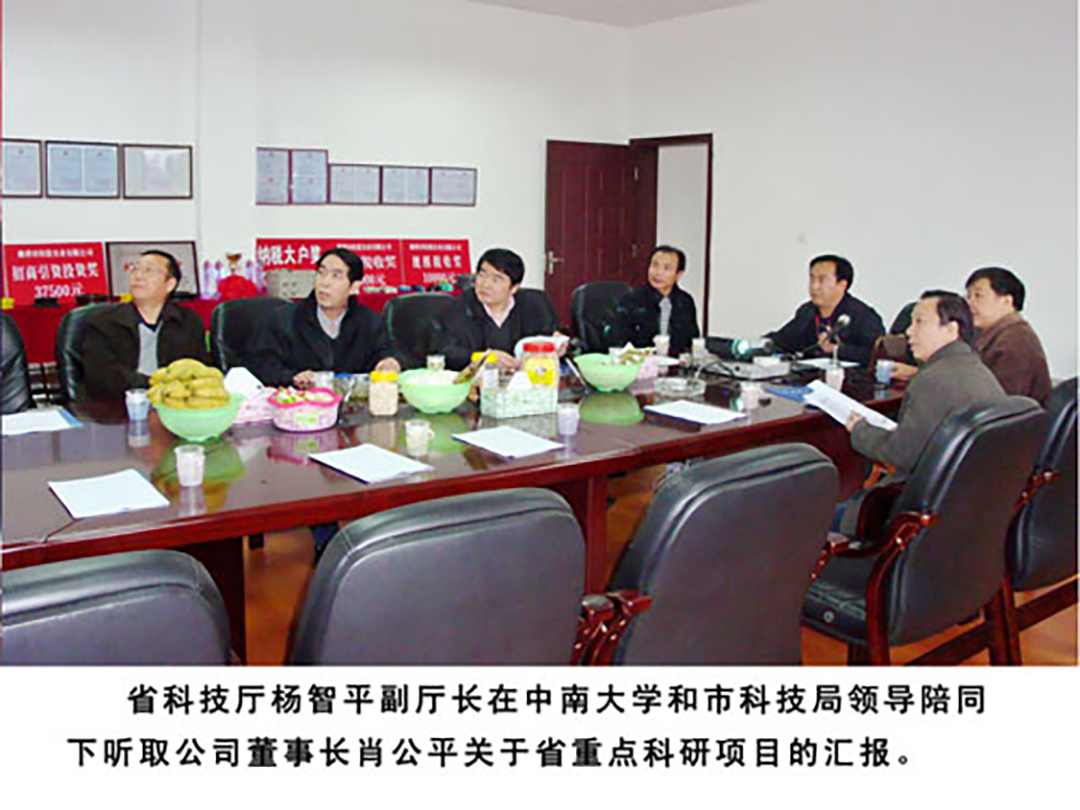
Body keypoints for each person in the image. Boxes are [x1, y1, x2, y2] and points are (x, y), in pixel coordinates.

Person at [846, 291, 1005, 477]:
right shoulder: (978, 369)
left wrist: (859, 430)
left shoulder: (932, 379)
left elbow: (903, 453)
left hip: (929, 487)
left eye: (919, 322)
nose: (908, 331)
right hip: (975, 483)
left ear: (951, 330)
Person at [249, 248, 400, 386]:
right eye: (321, 273)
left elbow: (386, 352)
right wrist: (291, 377)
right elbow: (261, 364)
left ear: (354, 287)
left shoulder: (370, 322)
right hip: (300, 402)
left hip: (354, 403)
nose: (325, 283)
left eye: (336, 276)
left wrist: (389, 362)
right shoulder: (283, 320)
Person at [83, 250, 210, 401]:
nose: (138, 276)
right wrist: (153, 384)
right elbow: (102, 375)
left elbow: (198, 368)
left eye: (149, 271)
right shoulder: (104, 322)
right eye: (135, 269)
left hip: (174, 403)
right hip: (119, 405)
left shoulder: (187, 321)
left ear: (170, 284)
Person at [431, 247, 561, 371]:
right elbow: (444, 352)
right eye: (482, 275)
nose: (485, 285)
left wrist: (560, 345)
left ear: (514, 288)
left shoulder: (534, 305)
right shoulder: (458, 307)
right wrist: (484, 358)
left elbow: (550, 338)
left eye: (497, 279)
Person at [767, 254, 885, 365]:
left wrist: (838, 350)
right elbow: (784, 339)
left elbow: (877, 354)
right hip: (809, 376)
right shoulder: (807, 311)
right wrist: (765, 343)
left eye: (822, 280)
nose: (814, 286)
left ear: (842, 285)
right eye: (812, 279)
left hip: (851, 378)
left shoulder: (863, 316)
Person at [965, 266, 1052, 403]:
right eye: (968, 296)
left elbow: (1003, 406)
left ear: (1007, 301)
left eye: (978, 296)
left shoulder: (1016, 341)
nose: (970, 303)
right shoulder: (998, 334)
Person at [603, 245, 700, 354]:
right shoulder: (633, 300)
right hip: (641, 361)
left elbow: (691, 341)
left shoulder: (685, 302)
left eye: (666, 268)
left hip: (675, 361)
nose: (658, 273)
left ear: (678, 274)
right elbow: (617, 339)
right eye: (655, 265)